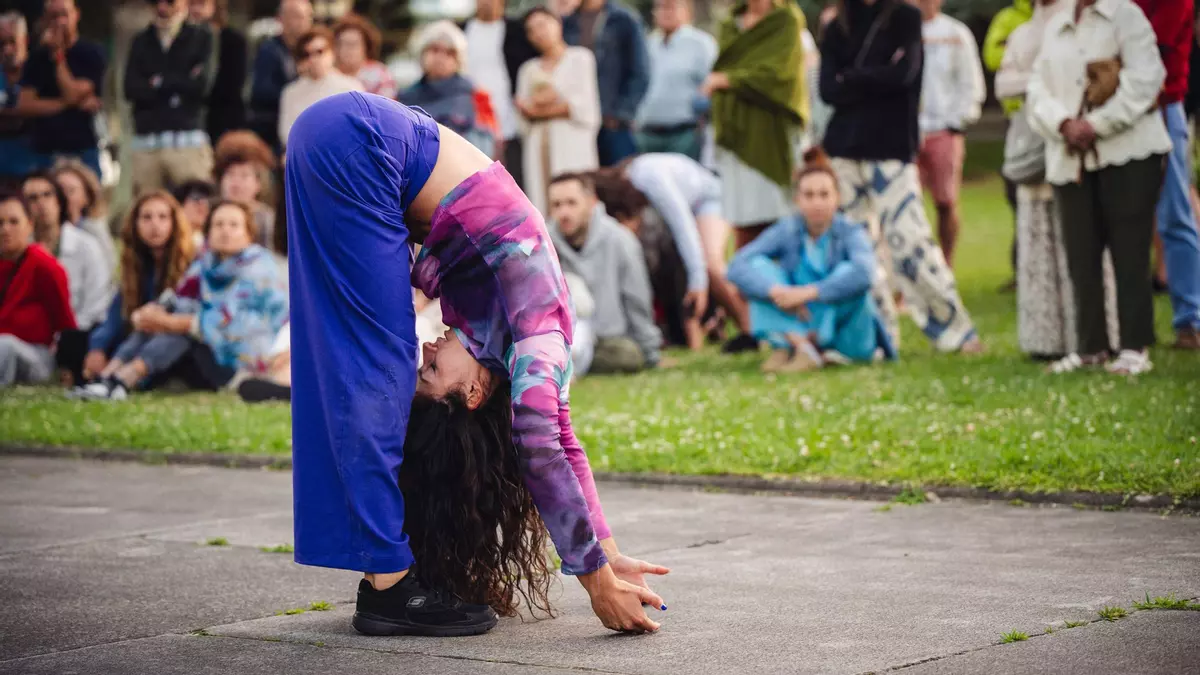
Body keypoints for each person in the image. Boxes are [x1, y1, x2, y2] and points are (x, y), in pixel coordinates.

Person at [285, 92, 670, 637]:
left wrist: (609, 552)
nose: (427, 352)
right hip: (361, 142)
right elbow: (540, 443)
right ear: (472, 394)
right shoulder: (537, 333)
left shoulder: (501, 329)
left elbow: (563, 437)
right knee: (381, 371)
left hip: (354, 142)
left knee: (360, 362)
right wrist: (597, 581)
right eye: (431, 373)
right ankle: (389, 588)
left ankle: (386, 575)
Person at [819, 0, 982, 353]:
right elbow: (827, 90)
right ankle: (874, 337)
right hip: (844, 149)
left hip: (891, 147)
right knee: (856, 249)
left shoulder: (905, 18)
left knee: (910, 240)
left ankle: (955, 331)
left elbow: (904, 75)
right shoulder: (837, 27)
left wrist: (852, 77)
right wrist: (875, 76)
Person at [1028, 0, 1170, 375]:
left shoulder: (1126, 15)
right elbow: (1037, 89)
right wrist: (1063, 124)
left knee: (1129, 251)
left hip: (1128, 152)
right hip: (1069, 157)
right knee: (1080, 253)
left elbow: (1146, 81)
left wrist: (1097, 125)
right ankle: (1090, 347)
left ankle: (1134, 347)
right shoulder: (1057, 23)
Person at [995, 0, 1119, 358]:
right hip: (1032, 146)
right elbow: (1004, 84)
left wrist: (1038, 80)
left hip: (1074, 145)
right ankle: (1046, 337)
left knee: (1081, 242)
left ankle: (1092, 334)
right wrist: (1038, 79)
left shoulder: (1083, 25)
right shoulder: (1022, 32)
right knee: (1039, 240)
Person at [77, 200, 287, 399]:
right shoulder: (205, 263)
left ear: (249, 233)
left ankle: (122, 380)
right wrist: (153, 312)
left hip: (240, 360)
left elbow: (229, 324)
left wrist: (172, 322)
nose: (225, 231)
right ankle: (107, 376)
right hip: (204, 353)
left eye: (234, 225)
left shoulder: (259, 269)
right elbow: (179, 299)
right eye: (219, 224)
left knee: (180, 329)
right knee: (162, 320)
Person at [728, 150, 895, 372]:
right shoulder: (787, 229)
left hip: (843, 328)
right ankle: (798, 345)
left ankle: (808, 349)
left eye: (824, 194)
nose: (817, 203)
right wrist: (777, 292)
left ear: (837, 198)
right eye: (809, 195)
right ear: (797, 199)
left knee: (847, 271)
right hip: (800, 316)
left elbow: (864, 273)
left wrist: (809, 293)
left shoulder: (851, 231)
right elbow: (737, 265)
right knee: (758, 268)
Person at [610, 153, 752, 351]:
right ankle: (716, 321)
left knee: (710, 263)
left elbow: (683, 227)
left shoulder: (651, 179)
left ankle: (751, 331)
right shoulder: (633, 179)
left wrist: (698, 284)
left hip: (709, 199)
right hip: (691, 204)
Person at [705, 0, 807, 249]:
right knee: (743, 219)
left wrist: (729, 80)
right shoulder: (730, 24)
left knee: (779, 213)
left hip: (772, 131)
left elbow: (779, 75)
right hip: (735, 129)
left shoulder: (786, 20)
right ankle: (746, 269)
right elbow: (723, 64)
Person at [76, 190, 197, 385]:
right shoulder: (137, 267)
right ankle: (107, 378)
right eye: (146, 218)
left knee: (160, 326)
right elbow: (114, 315)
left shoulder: (194, 264)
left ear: (175, 223)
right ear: (135, 224)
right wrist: (97, 349)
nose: (155, 225)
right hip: (144, 338)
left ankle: (117, 378)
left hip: (182, 344)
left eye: (163, 217)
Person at [546, 172, 661, 374]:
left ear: (591, 202)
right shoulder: (543, 244)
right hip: (559, 339)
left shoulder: (620, 240)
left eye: (571, 203)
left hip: (607, 341)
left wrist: (650, 353)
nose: (564, 213)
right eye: (557, 205)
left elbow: (637, 301)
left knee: (628, 355)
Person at [1134, 0, 1200, 349]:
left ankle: (1191, 318)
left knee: (1175, 215)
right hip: (1121, 108)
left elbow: (1153, 47)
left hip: (1164, 107)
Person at [22, 171, 112, 384]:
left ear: (59, 201)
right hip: (29, 338)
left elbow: (97, 304)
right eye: (33, 198)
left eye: (47, 195)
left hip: (77, 334)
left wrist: (63, 335)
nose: (41, 203)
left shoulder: (87, 245)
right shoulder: (17, 249)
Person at [916, 0, 986, 268]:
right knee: (908, 205)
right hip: (907, 133)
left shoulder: (955, 34)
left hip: (944, 131)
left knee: (946, 202)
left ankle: (946, 266)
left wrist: (957, 121)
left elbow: (971, 83)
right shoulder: (898, 31)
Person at [124, 0, 215, 196]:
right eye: (155, 2)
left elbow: (202, 86)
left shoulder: (201, 36)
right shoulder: (141, 40)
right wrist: (180, 82)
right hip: (147, 143)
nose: (162, 7)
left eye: (170, 2)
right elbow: (130, 89)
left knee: (195, 201)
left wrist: (156, 82)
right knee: (147, 205)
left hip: (187, 142)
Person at [515, 7, 601, 214]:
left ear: (558, 24)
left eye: (542, 25)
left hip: (571, 143)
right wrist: (550, 105)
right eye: (531, 30)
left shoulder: (580, 58)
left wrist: (539, 109)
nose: (538, 33)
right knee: (541, 203)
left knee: (576, 198)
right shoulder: (528, 69)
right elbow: (523, 112)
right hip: (538, 145)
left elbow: (585, 108)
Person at [15, 0, 106, 177]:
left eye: (64, 15)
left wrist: (58, 56)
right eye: (54, 16)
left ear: (76, 15)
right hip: (44, 150)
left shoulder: (92, 53)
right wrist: (66, 103)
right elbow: (25, 105)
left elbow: (71, 93)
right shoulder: (36, 58)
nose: (60, 22)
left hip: (82, 148)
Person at [0, 190, 76, 387]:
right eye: (0, 223)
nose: (5, 229)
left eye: (14, 222)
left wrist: (69, 368)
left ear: (30, 225)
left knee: (5, 345)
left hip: (36, 355)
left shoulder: (45, 266)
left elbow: (66, 323)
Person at [562, 0, 651, 166]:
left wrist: (620, 114)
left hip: (612, 122)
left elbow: (640, 72)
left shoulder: (624, 19)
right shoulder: (567, 22)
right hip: (579, 121)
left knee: (619, 176)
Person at [462, 0, 539, 189]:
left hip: (512, 117)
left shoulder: (517, 31)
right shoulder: (461, 31)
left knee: (514, 181)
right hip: (471, 120)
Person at [983, 0, 1033, 286]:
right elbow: (993, 56)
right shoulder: (1007, 17)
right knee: (1017, 193)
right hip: (1016, 117)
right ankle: (1021, 268)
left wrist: (1015, 52)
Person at [399, 21, 498, 157]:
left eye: (449, 53)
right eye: (434, 49)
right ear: (421, 54)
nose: (440, 57)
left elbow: (486, 148)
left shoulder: (477, 97)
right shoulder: (404, 98)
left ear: (459, 60)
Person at [635, 0, 716, 160]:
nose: (665, 12)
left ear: (686, 11)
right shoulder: (650, 43)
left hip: (684, 133)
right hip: (647, 132)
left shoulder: (701, 44)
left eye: (670, 7)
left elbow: (711, 83)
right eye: (660, 7)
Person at [277, 27, 363, 153]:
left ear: (332, 52)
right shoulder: (290, 92)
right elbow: (286, 133)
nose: (313, 59)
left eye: (319, 51)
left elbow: (357, 130)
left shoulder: (351, 87)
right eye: (306, 54)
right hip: (303, 154)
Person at [249, 0, 312, 152]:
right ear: (281, 19)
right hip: (273, 130)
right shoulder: (269, 50)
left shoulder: (312, 50)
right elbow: (262, 91)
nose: (304, 22)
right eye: (297, 16)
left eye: (308, 16)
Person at [189, 0, 248, 145]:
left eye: (201, 3)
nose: (196, 9)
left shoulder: (233, 40)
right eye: (191, 3)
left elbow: (233, 85)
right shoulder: (183, 41)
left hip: (224, 123)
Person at [213, 130, 278, 249]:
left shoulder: (267, 219)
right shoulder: (212, 212)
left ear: (258, 184)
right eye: (230, 174)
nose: (236, 183)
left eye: (244, 176)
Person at [50, 158, 116, 273]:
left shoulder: (94, 231)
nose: (64, 196)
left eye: (71, 191)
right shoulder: (39, 230)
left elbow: (108, 268)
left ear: (87, 197)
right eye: (59, 191)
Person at [0, 12, 39, 182]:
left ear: (25, 40)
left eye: (12, 42)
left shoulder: (41, 71)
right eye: (1, 44)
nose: (7, 50)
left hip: (36, 165)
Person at [332, 13, 396, 99]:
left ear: (366, 46)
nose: (343, 50)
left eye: (351, 44)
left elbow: (385, 105)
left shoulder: (380, 75)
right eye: (339, 44)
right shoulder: (329, 73)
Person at [173, 179, 216, 245]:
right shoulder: (171, 239)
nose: (203, 205)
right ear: (180, 205)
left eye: (208, 201)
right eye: (197, 199)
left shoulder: (213, 241)